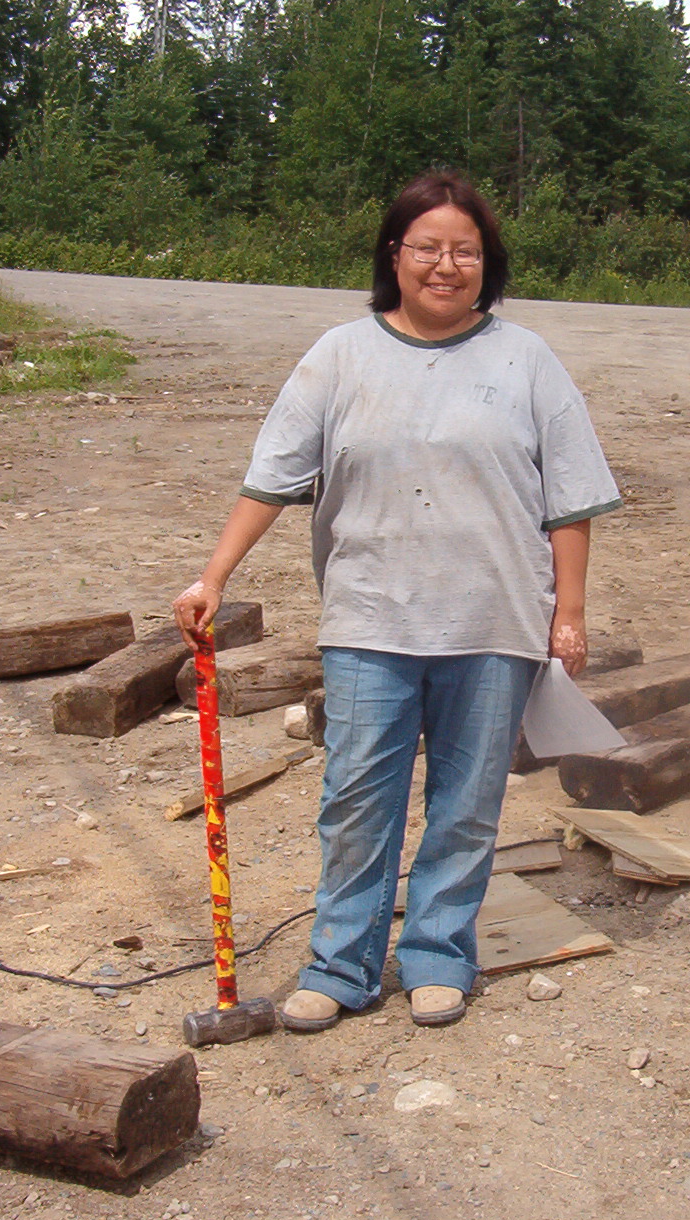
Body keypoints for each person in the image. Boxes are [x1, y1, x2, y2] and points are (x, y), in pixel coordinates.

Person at [173, 169, 620, 1031]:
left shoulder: (526, 360)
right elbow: (273, 478)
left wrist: (569, 613)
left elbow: (570, 499)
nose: (446, 265)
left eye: (465, 250)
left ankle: (438, 955)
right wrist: (214, 576)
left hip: (494, 621)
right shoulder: (340, 355)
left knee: (466, 799)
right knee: (356, 798)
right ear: (395, 254)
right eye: (428, 247)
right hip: (370, 617)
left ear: (487, 263)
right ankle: (340, 966)